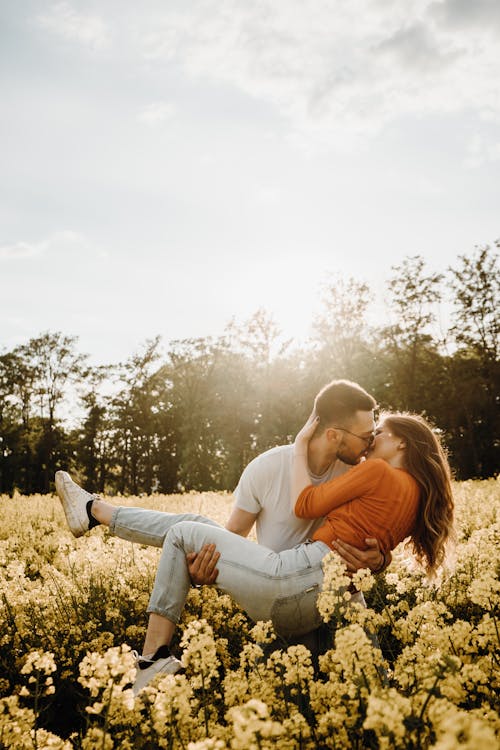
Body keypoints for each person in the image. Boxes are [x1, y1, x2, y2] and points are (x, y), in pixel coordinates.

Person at [56, 411, 454, 695]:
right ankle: (93, 511)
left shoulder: (377, 472)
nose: (371, 442)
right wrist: (380, 560)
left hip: (294, 579)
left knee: (182, 534)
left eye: (380, 432)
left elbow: (307, 504)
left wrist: (299, 447)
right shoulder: (418, 496)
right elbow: (374, 546)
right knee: (194, 523)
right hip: (329, 594)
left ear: (401, 441)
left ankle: (153, 659)